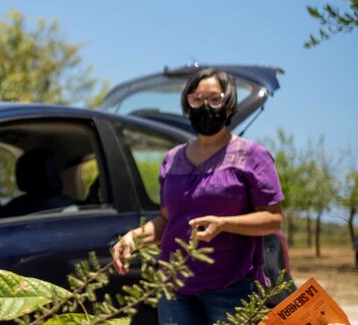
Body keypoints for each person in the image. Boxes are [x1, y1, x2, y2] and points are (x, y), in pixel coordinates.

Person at [111, 68, 284, 324]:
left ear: (228, 105)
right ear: (187, 104)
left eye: (214, 99)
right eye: (197, 99)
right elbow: (167, 221)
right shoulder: (172, 159)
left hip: (232, 287)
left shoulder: (252, 156)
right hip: (174, 287)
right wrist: (133, 238)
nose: (205, 106)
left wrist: (223, 224)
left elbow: (272, 220)